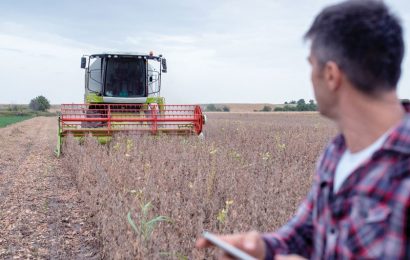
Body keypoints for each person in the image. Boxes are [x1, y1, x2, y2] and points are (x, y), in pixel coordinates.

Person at [196, 0, 409, 259]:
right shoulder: (337, 153)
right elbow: (304, 234)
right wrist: (263, 248)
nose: (310, 77)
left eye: (311, 65)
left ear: (331, 75)